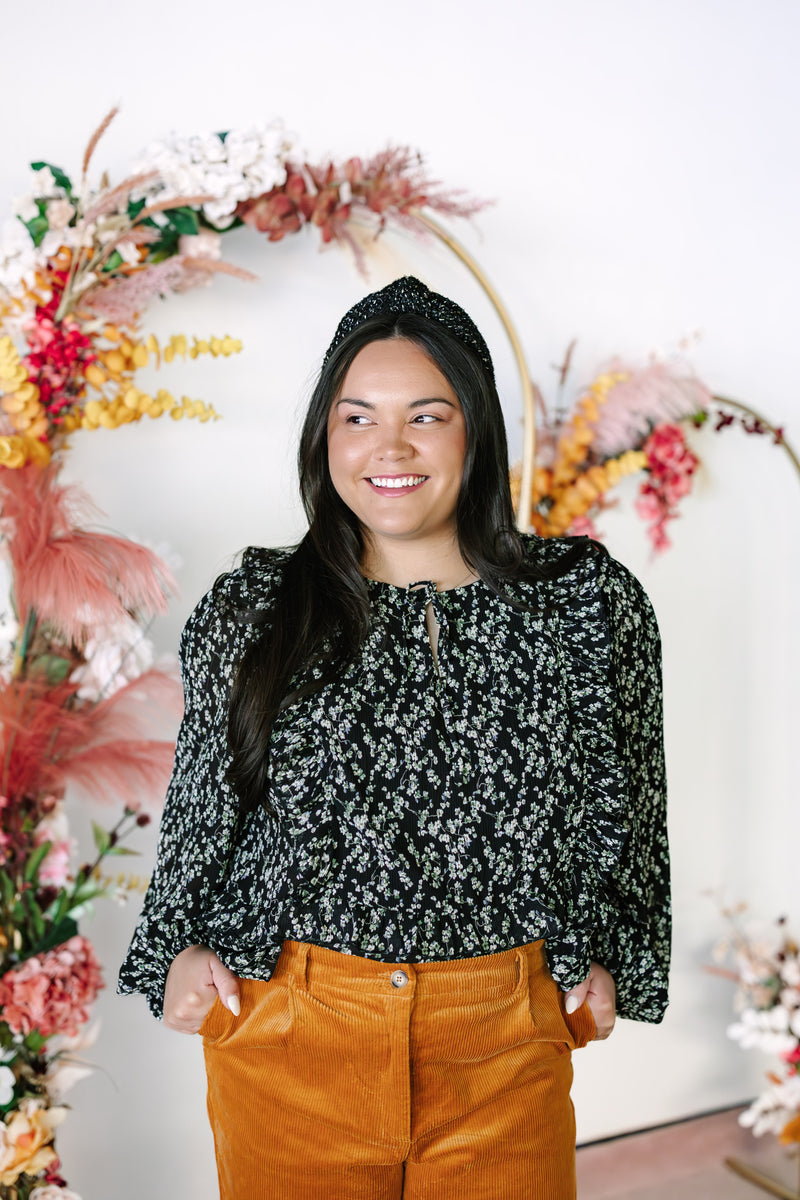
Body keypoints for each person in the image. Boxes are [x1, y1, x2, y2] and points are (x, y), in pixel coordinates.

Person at [119, 276, 670, 1199]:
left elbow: (632, 799)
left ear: (476, 431)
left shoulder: (584, 604)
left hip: (502, 1041)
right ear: (325, 437)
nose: (390, 448)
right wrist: (179, 941)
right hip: (290, 1031)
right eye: (357, 418)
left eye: (427, 415)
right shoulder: (255, 607)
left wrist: (608, 948)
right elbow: (201, 807)